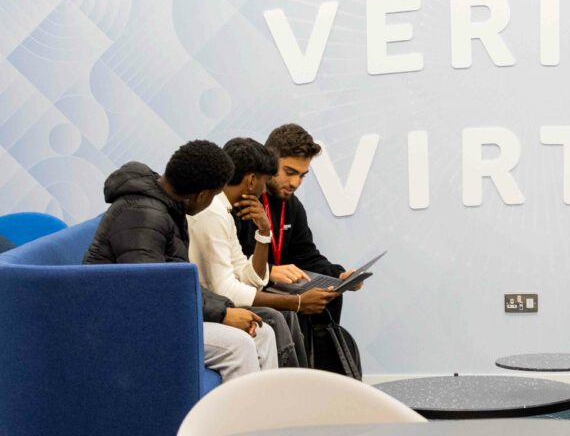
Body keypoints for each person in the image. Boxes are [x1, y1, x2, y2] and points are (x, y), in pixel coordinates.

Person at [83, 140, 278, 381]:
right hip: (124, 323)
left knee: (262, 332)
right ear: (202, 195)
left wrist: (227, 308)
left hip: (155, 313)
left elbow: (178, 280)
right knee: (238, 346)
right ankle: (241, 419)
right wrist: (224, 315)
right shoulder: (144, 216)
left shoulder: (167, 206)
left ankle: (269, 416)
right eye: (214, 196)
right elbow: (152, 291)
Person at [188, 137, 338, 367]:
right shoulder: (213, 212)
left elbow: (249, 278)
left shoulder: (224, 210)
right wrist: (296, 302)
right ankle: (292, 393)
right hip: (208, 306)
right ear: (251, 180)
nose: (264, 189)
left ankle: (298, 389)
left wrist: (264, 232)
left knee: (282, 315)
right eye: (266, 180)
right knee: (277, 317)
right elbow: (224, 288)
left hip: (221, 299)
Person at [235, 124, 364, 325]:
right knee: (288, 312)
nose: (295, 183)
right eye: (289, 172)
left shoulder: (293, 206)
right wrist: (269, 271)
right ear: (269, 161)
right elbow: (225, 262)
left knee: (327, 297)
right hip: (249, 289)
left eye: (302, 175)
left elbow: (306, 256)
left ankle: (319, 358)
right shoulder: (242, 199)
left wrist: (339, 274)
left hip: (279, 288)